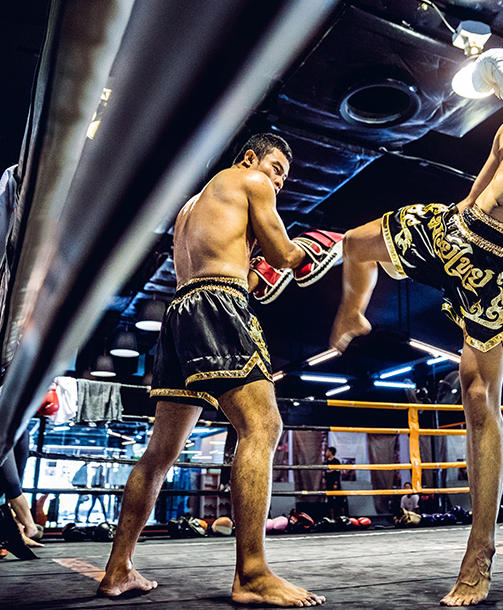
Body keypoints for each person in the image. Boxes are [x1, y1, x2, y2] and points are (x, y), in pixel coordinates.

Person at [328, 28, 503, 606]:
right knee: (357, 243)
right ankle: (353, 316)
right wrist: (434, 243)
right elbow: (473, 194)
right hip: (460, 229)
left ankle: (479, 553)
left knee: (478, 394)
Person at [98, 134, 337, 607]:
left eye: (283, 178)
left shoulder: (192, 207)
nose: (278, 182)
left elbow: (239, 268)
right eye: (276, 168)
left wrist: (258, 265)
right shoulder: (250, 181)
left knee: (160, 453)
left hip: (180, 313)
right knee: (263, 426)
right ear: (250, 158)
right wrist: (319, 247)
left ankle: (118, 568)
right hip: (218, 306)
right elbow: (286, 256)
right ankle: (252, 574)